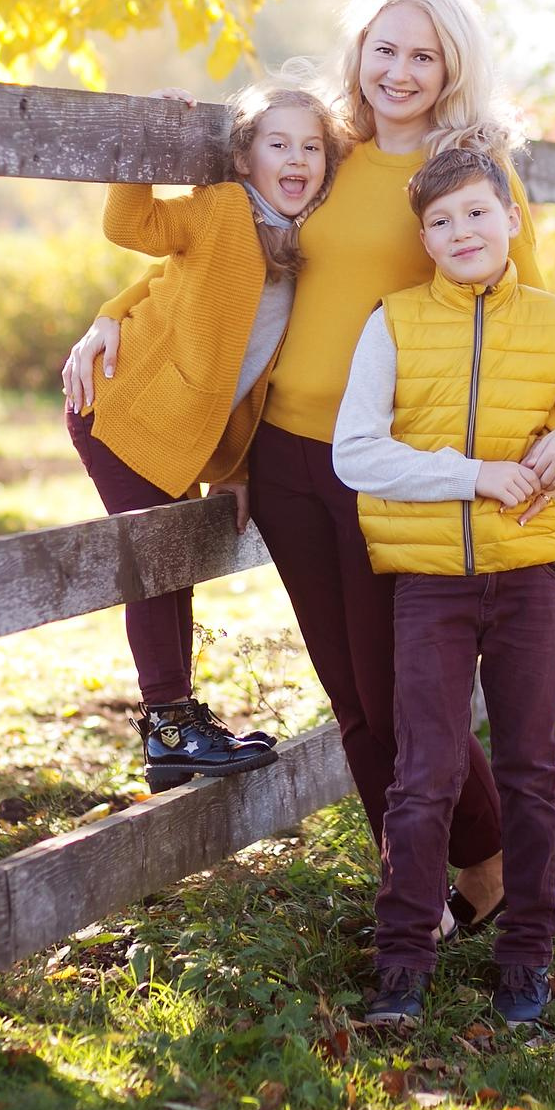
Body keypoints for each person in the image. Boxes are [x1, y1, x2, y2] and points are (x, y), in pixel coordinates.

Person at [62, 0, 551, 938]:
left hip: (390, 462)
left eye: (424, 55)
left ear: (451, 68)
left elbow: (523, 303)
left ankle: (487, 862)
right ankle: (414, 892)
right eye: (385, 49)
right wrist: (112, 315)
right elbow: (217, 265)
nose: (400, 71)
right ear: (359, 55)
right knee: (351, 698)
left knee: (398, 690)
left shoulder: (466, 168)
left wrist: (543, 434)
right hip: (284, 458)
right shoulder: (324, 154)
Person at [331, 142, 555, 1025]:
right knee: (424, 772)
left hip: (528, 579)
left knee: (531, 769)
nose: (461, 231)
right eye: (441, 220)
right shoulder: (393, 321)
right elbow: (355, 452)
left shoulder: (554, 319)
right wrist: (474, 475)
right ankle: (403, 961)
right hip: (430, 586)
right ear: (423, 239)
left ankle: (527, 953)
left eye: (477, 212)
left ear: (511, 219)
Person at [61, 77, 345, 791]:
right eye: (278, 144)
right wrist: (147, 132)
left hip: (178, 431)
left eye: (312, 147)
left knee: (174, 568)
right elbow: (133, 228)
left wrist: (236, 469)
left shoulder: (307, 240)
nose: (297, 158)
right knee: (157, 561)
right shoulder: (221, 209)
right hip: (124, 409)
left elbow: (253, 372)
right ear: (244, 159)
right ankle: (167, 725)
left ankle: (177, 725)